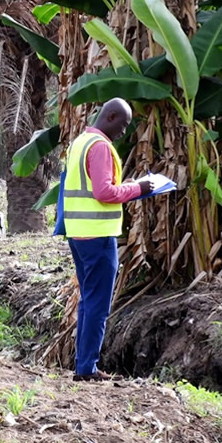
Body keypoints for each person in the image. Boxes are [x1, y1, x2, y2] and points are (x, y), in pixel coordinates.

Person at [63, 98, 154, 382]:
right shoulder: (101, 146)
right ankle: (86, 368)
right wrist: (137, 188)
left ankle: (84, 365)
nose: (124, 132)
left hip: (77, 233)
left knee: (88, 300)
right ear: (110, 116)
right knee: (98, 304)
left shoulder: (80, 142)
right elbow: (104, 192)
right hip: (98, 235)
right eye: (124, 125)